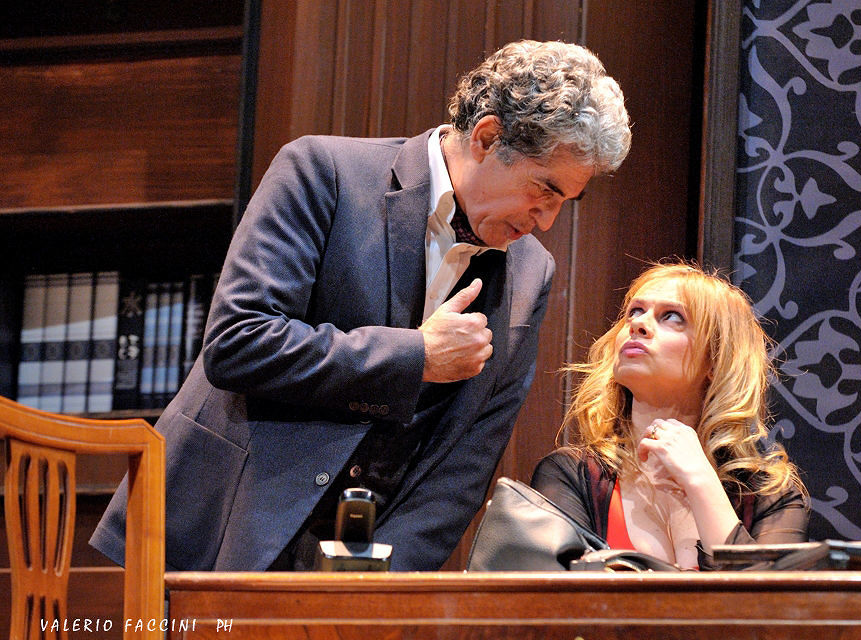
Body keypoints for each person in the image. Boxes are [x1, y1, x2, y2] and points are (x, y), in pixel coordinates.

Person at [90, 40, 631, 571]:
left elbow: (466, 458)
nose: (547, 221)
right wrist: (415, 356)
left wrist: (380, 586)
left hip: (363, 564)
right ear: (487, 138)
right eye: (544, 190)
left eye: (564, 202)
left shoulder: (532, 270)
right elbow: (239, 341)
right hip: (219, 527)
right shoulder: (323, 170)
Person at [531, 262, 808, 570]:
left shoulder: (770, 494)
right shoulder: (571, 475)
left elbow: (767, 598)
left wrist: (700, 481)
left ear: (716, 358)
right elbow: (564, 594)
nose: (639, 324)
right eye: (635, 312)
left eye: (672, 317)